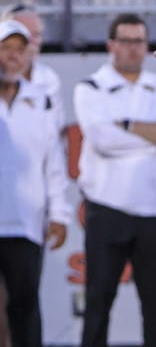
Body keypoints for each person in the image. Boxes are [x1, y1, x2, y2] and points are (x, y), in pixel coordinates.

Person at [74, 13, 156, 347]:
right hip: (107, 208)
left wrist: (124, 123)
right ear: (111, 45)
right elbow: (101, 140)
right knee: (98, 301)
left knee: (155, 307)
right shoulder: (91, 87)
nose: (132, 49)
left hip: (155, 211)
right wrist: (152, 134)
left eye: (139, 41)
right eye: (125, 41)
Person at [0, 19, 72, 347]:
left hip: (26, 223)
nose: (12, 57)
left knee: (25, 306)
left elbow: (53, 163)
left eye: (19, 50)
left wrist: (59, 213)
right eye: (5, 48)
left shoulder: (41, 102)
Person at [1, 3, 65, 130]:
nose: (32, 43)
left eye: (36, 35)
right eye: (23, 34)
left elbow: (54, 131)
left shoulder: (49, 78)